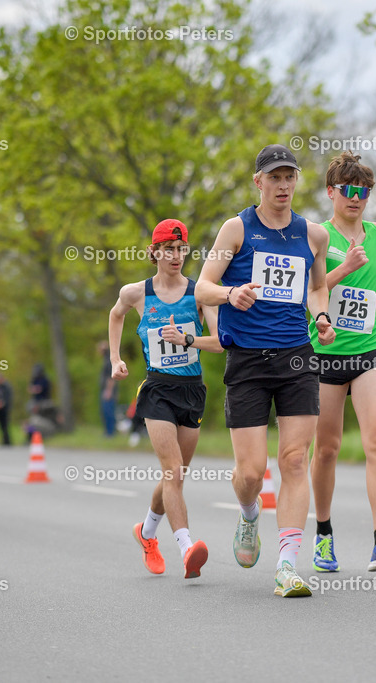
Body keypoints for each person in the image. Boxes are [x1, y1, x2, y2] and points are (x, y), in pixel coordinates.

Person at [196, 143, 335, 597]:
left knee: (295, 459)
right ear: (258, 182)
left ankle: (287, 565)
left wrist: (321, 316)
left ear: (297, 181)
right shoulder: (237, 229)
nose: (283, 185)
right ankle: (250, 514)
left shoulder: (313, 235)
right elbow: (202, 286)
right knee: (252, 473)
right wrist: (230, 294)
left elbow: (317, 289)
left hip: (297, 355)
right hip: (248, 359)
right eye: (274, 177)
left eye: (289, 177)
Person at [307, 151, 376, 574]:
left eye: (364, 191)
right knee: (327, 449)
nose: (356, 198)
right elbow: (308, 291)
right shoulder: (316, 236)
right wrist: (343, 269)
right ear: (331, 192)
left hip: (370, 349)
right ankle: (324, 536)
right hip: (326, 354)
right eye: (348, 190)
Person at [110, 219, 222, 580]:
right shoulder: (136, 293)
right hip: (157, 390)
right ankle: (187, 546)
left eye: (181, 249)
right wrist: (115, 359)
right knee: (173, 470)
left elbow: (221, 343)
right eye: (169, 250)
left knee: (175, 476)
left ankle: (146, 532)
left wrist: (187, 341)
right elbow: (115, 316)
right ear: (154, 253)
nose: (176, 256)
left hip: (193, 391)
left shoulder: (200, 293)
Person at [97, 341, 118, 438]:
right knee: (105, 411)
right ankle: (108, 431)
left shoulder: (109, 361)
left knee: (108, 411)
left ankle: (110, 432)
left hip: (108, 391)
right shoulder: (106, 360)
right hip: (106, 390)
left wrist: (108, 391)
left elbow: (111, 377)